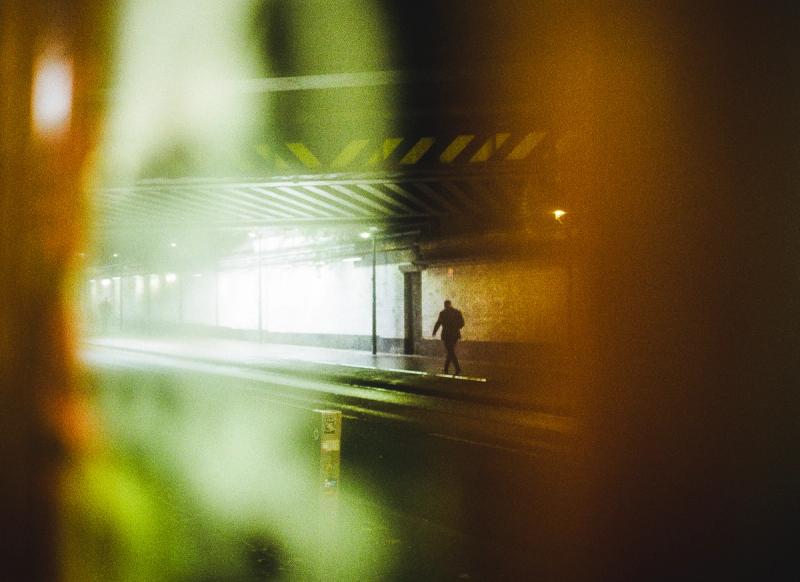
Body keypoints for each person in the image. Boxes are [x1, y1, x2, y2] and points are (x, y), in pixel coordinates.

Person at [432, 299, 465, 375]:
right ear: (450, 304)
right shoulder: (457, 312)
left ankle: (457, 368)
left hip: (446, 335)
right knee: (450, 351)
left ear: (445, 305)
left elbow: (438, 323)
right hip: (455, 335)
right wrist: (455, 327)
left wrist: (434, 331)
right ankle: (446, 367)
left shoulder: (443, 313)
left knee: (450, 351)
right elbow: (462, 323)